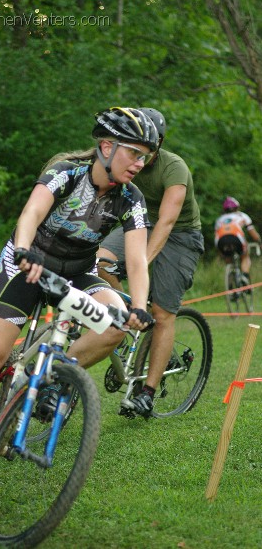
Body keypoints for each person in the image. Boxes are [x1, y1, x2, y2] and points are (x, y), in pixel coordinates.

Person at [0, 106, 159, 481]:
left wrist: (138, 305)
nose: (140, 163)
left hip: (78, 272)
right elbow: (31, 214)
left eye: (145, 156)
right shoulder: (66, 172)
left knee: (117, 325)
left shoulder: (131, 199)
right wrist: (23, 249)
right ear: (106, 146)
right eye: (133, 153)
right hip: (28, 263)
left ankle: (53, 376)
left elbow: (136, 261)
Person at [97, 107, 204, 418]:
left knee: (162, 311)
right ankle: (129, 314)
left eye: (150, 144)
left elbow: (167, 223)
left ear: (159, 143)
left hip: (181, 235)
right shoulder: (125, 161)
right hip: (141, 225)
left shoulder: (175, 168)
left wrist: (139, 266)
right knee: (99, 262)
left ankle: (146, 393)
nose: (141, 152)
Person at [214, 196, 262, 286]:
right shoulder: (242, 215)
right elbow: (253, 233)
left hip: (221, 241)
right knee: (245, 255)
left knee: (228, 258)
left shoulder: (219, 219)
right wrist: (259, 242)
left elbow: (216, 236)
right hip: (236, 238)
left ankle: (230, 282)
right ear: (237, 207)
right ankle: (244, 275)